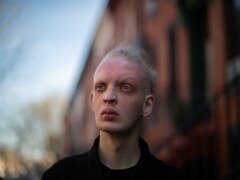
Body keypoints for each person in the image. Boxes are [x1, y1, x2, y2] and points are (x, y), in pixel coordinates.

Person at [41, 46, 186, 180]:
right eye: (101, 87)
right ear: (92, 101)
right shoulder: (59, 176)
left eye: (125, 87)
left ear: (147, 105)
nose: (108, 97)